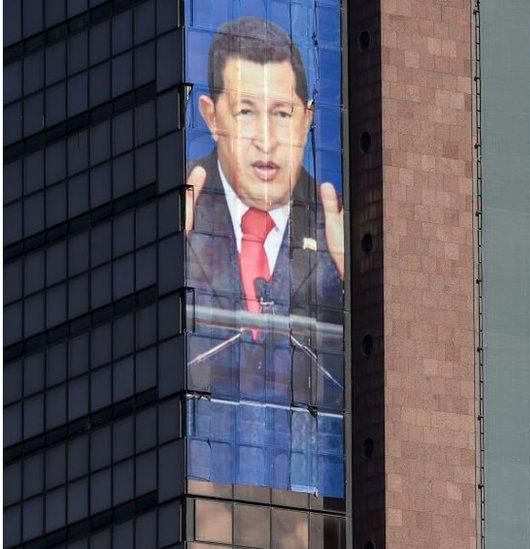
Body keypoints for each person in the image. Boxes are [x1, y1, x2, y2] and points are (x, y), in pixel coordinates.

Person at [182, 17, 344, 496]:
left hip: (310, 495)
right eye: (247, 111)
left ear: (309, 118)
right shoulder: (182, 220)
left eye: (283, 113)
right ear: (212, 117)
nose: (267, 140)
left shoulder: (336, 231)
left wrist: (356, 280)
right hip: (199, 482)